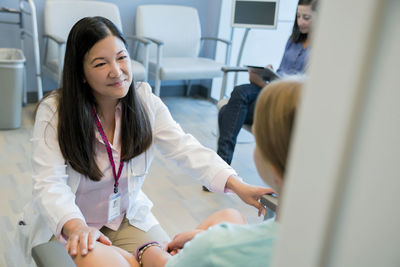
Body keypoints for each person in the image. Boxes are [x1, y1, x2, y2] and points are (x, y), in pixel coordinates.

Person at [17, 16, 273, 261]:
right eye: (100, 63)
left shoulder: (144, 102)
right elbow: (49, 184)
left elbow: (185, 148)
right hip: (73, 224)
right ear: (81, 73)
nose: (116, 71)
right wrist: (75, 227)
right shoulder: (55, 111)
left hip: (125, 219)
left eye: (121, 58)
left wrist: (238, 185)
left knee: (167, 258)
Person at [72, 78, 303, 267]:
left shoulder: (215, 245)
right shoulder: (321, 240)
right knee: (231, 216)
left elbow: (164, 262)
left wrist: (146, 251)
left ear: (273, 167)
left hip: (167, 256)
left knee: (94, 254)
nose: (114, 71)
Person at [216, 0, 317, 166]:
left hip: (284, 100)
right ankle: (222, 168)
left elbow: (298, 89)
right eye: (298, 16)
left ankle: (221, 168)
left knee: (227, 110)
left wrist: (263, 85)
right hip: (272, 88)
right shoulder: (293, 40)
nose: (301, 22)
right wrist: (269, 72)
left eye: (306, 17)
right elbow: (283, 71)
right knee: (239, 93)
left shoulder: (319, 50)